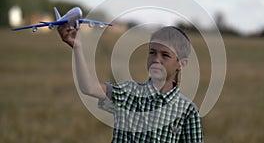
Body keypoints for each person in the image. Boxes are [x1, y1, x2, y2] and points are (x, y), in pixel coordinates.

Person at [57, 24, 203, 143]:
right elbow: (88, 87)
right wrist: (77, 47)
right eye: (152, 52)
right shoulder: (128, 93)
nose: (156, 60)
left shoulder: (187, 111)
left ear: (181, 64)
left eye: (165, 55)